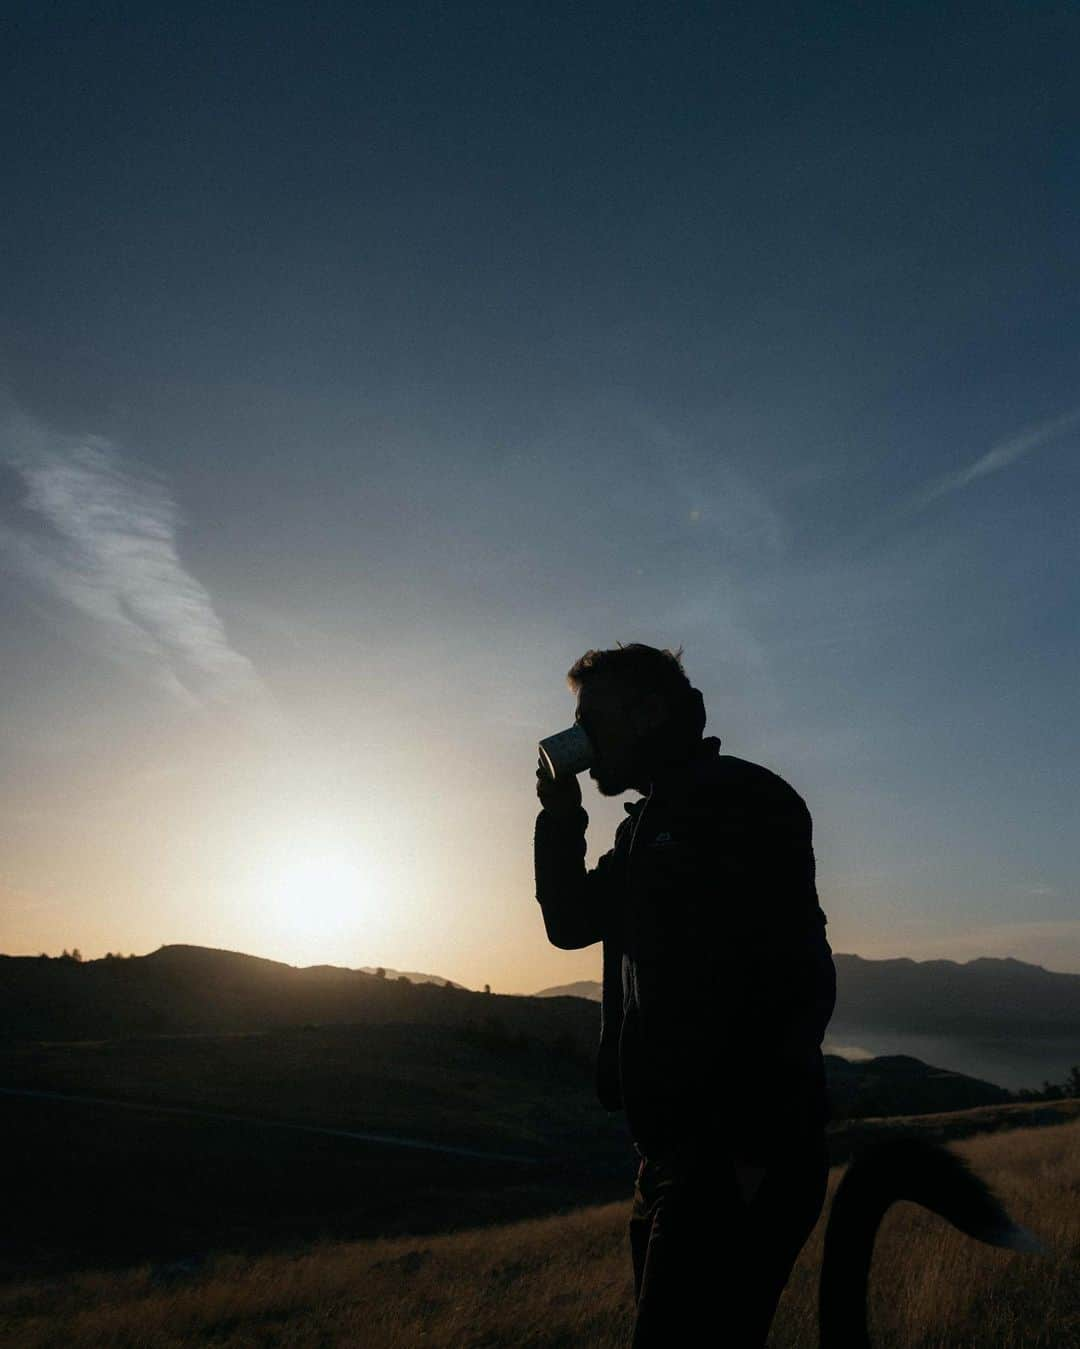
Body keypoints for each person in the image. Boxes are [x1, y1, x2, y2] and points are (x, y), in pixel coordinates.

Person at [534, 642, 837, 1346]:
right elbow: (570, 921)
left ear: (648, 713)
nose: (581, 740)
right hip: (674, 1160)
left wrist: (748, 1149)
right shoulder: (642, 830)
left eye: (591, 720)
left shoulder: (741, 799)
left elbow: (800, 971)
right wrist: (560, 814)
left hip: (737, 1154)